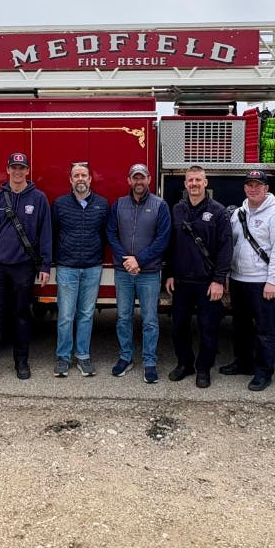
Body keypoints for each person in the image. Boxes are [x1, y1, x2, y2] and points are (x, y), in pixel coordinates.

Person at [0, 152, 52, 388]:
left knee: (22, 315)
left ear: (27, 171)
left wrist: (45, 265)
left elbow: (46, 233)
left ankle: (21, 361)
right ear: (7, 170)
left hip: (24, 268)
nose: (18, 172)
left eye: (22, 168)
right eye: (14, 168)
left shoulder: (39, 199)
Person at [164, 165, 233, 389]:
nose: (194, 184)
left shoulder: (218, 211)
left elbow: (225, 249)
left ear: (206, 183)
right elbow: (171, 245)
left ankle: (204, 368)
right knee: (179, 327)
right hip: (182, 281)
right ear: (185, 184)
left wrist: (218, 280)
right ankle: (185, 364)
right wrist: (170, 274)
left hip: (207, 282)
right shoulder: (177, 209)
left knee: (208, 328)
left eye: (198, 180)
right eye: (190, 180)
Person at [105, 163, 171, 384]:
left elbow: (163, 239)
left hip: (149, 272)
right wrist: (126, 259)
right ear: (129, 180)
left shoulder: (160, 205)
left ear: (150, 179)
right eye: (135, 178)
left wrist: (139, 260)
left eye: (142, 177)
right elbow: (111, 234)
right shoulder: (119, 205)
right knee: (123, 317)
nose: (139, 182)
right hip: (124, 271)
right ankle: (125, 357)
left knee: (150, 319)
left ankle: (149, 362)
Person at [227, 169, 275, 391]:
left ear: (266, 188)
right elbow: (232, 245)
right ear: (245, 188)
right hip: (238, 279)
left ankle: (264, 372)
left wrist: (272, 280)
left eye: (258, 185)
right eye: (249, 185)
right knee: (241, 326)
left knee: (264, 330)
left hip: (262, 282)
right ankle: (243, 363)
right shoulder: (239, 214)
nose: (253, 189)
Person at [51, 161, 109, 378]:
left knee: (86, 314)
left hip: (93, 267)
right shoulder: (59, 204)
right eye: (76, 176)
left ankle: (83, 356)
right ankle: (63, 358)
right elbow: (54, 232)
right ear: (70, 180)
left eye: (84, 175)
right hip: (67, 267)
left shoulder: (102, 204)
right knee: (66, 315)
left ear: (90, 179)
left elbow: (104, 233)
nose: (80, 179)